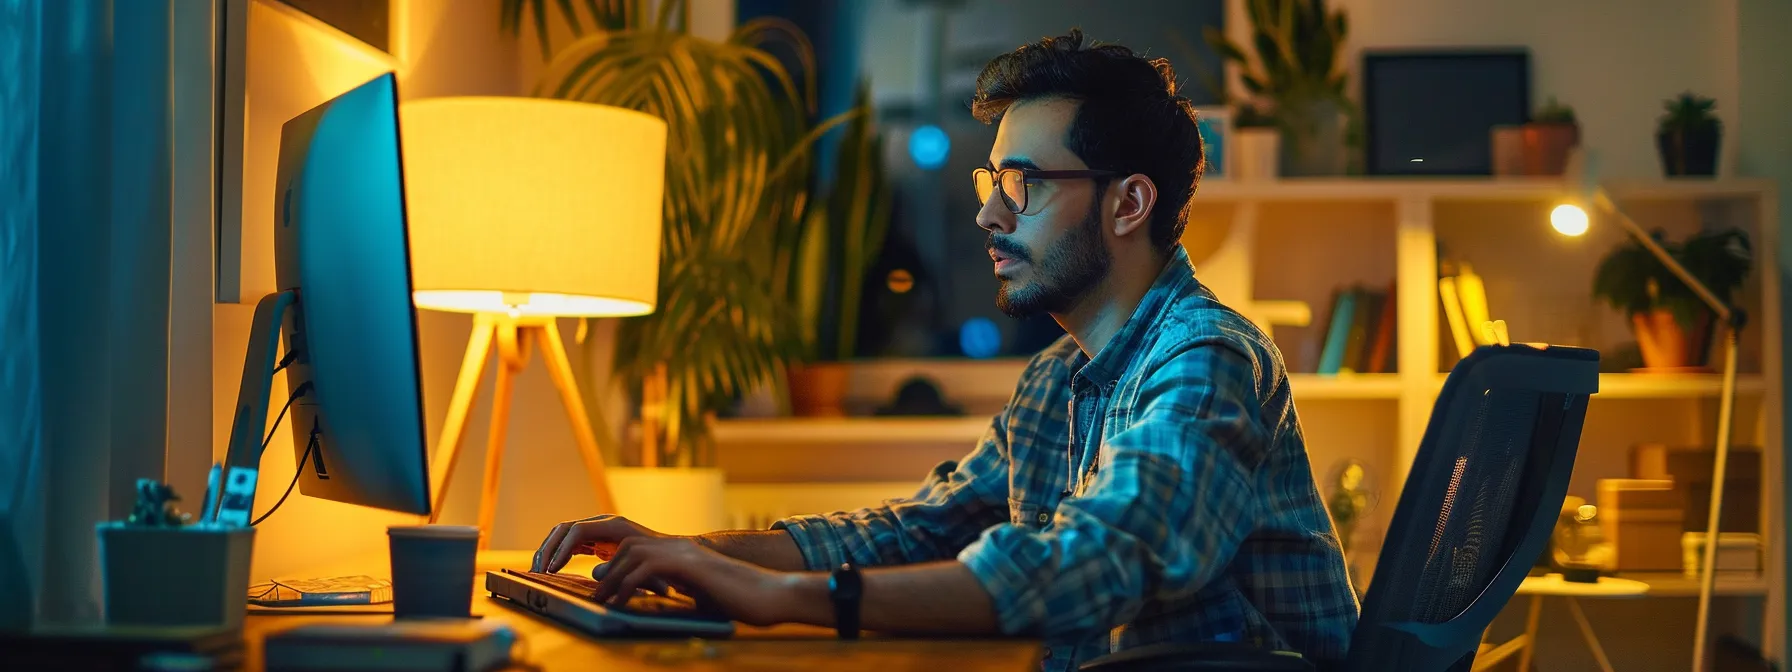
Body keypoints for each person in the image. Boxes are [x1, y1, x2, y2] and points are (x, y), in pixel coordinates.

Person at [532, 28, 1359, 670]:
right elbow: (916, 530)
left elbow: (1099, 559)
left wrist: (778, 594)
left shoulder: (1207, 358)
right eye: (990, 184)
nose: (989, 218)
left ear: (1129, 203)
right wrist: (692, 553)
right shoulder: (1056, 380)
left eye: (1023, 185)